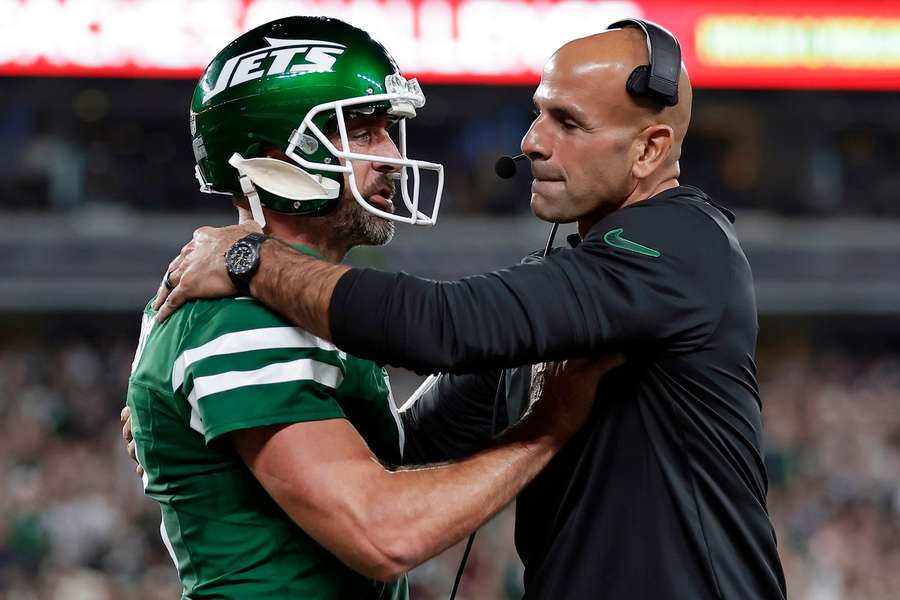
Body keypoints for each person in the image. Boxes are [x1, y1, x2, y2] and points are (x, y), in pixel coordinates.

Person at [154, 19, 788, 600]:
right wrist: (183, 428)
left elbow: (443, 326)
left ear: (649, 151)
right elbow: (404, 448)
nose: (531, 142)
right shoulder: (575, 293)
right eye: (539, 114)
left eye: (568, 123)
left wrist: (251, 259)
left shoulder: (682, 245)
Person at [125, 16, 612, 599]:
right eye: (359, 132)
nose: (388, 155)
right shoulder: (240, 317)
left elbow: (389, 457)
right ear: (273, 153)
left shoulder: (279, 302)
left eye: (385, 129)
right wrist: (549, 426)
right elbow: (382, 535)